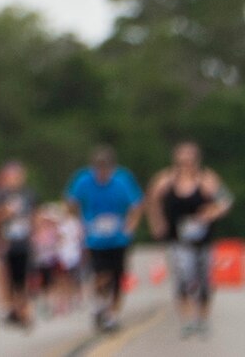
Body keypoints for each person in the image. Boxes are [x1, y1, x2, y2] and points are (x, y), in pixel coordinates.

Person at [147, 141, 232, 337]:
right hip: (178, 239)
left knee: (205, 280)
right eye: (182, 160)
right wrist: (157, 223)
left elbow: (225, 202)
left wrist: (211, 213)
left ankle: (202, 318)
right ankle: (186, 319)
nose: (186, 164)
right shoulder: (165, 180)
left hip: (204, 238)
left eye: (190, 159)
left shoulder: (207, 179)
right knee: (183, 277)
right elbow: (151, 200)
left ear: (197, 160)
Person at [65, 145, 144, 332]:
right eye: (98, 169)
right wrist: (80, 223)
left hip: (118, 238)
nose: (102, 174)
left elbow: (137, 204)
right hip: (95, 238)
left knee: (117, 276)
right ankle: (100, 304)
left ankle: (112, 314)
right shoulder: (83, 180)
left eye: (106, 169)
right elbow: (71, 202)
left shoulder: (123, 180)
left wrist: (130, 226)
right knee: (100, 274)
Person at [0, 161, 36, 330]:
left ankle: (24, 310)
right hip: (7, 243)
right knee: (8, 278)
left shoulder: (28, 194)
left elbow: (34, 216)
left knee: (23, 278)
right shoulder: (0, 196)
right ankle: (12, 308)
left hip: (24, 242)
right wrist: (4, 213)